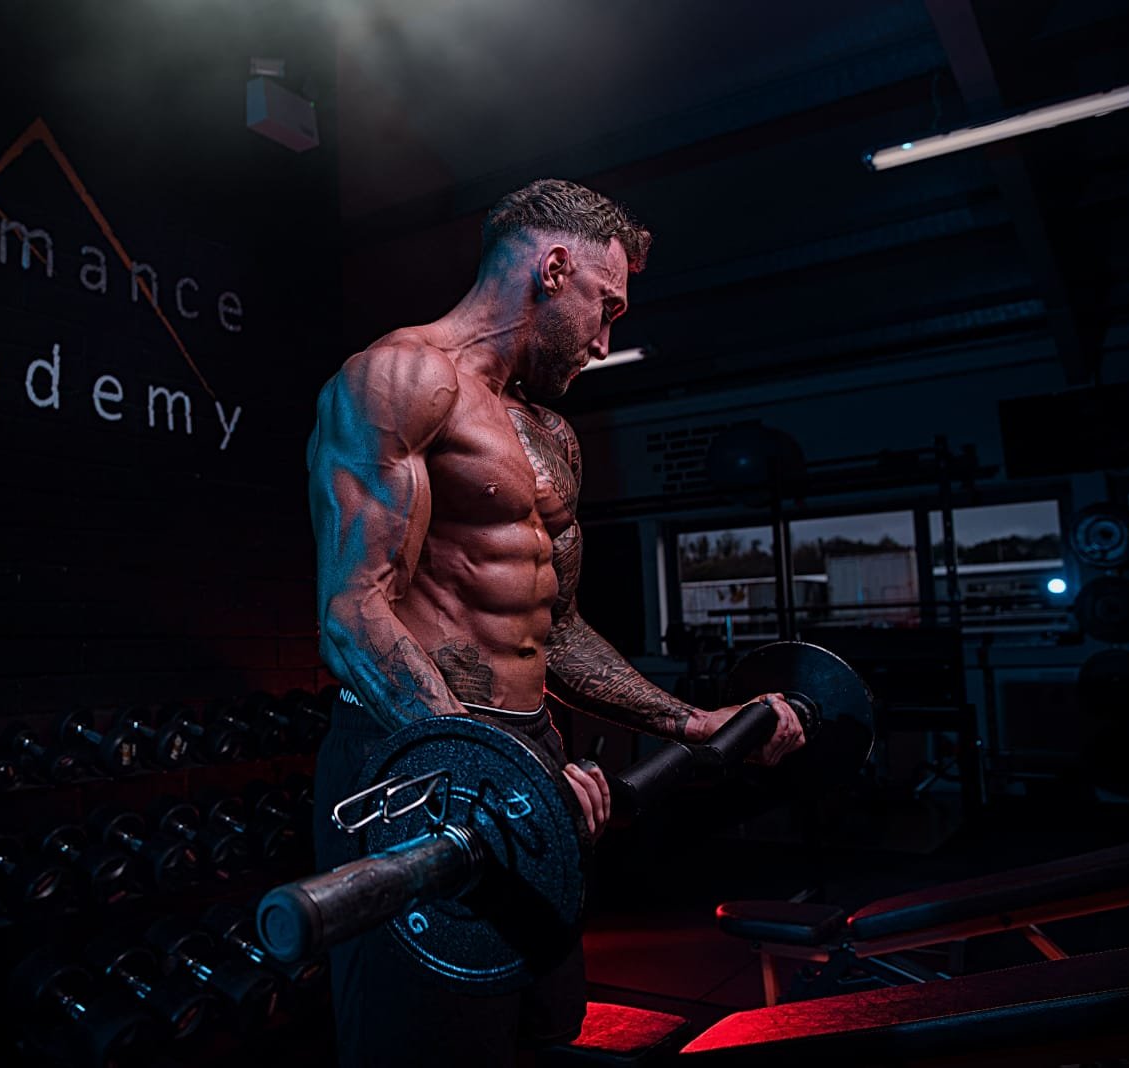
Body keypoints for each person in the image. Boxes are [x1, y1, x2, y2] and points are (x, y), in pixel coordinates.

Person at [304, 178, 808, 1067]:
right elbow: (354, 613)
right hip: (413, 766)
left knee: (541, 1021)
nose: (606, 341)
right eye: (604, 309)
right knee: (422, 1043)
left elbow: (558, 629)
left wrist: (693, 722)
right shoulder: (400, 378)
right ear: (554, 268)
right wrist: (484, 776)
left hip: (522, 758)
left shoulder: (549, 434)